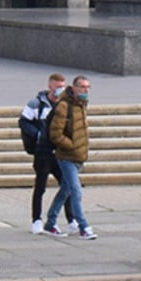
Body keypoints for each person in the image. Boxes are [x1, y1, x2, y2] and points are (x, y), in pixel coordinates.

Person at [19, 72, 77, 235]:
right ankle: (36, 220)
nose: (61, 89)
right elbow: (23, 122)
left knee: (67, 186)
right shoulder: (37, 103)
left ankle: (71, 219)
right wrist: (38, 135)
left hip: (60, 152)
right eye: (58, 86)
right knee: (40, 186)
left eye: (63, 86)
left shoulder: (66, 105)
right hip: (43, 152)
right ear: (50, 86)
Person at [43, 75, 97, 240]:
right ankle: (83, 226)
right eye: (82, 87)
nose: (85, 90)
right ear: (73, 88)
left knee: (65, 190)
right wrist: (71, 145)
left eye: (88, 87)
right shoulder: (64, 106)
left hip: (78, 157)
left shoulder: (81, 105)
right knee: (76, 191)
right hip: (67, 157)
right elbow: (55, 133)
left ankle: (50, 223)